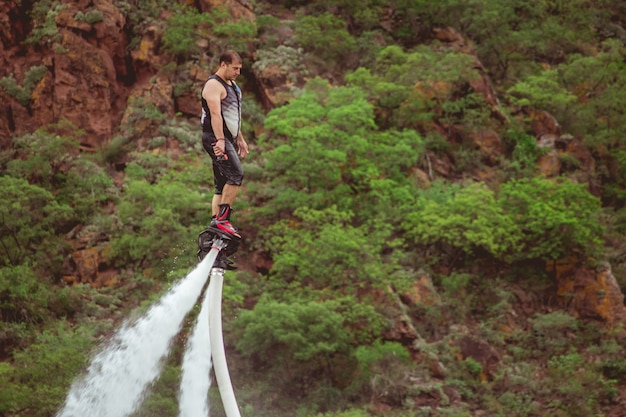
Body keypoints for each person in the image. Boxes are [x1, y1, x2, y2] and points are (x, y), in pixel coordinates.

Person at [199, 50, 249, 267]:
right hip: (215, 137)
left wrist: (240, 138)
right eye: (235, 68)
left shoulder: (232, 86)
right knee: (236, 174)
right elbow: (217, 115)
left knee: (221, 186)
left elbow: (233, 116)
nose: (238, 72)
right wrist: (220, 141)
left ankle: (215, 244)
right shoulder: (213, 85)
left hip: (227, 137)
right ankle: (221, 220)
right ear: (223, 64)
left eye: (240, 68)